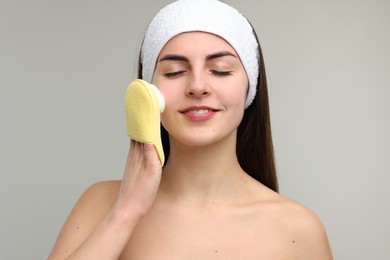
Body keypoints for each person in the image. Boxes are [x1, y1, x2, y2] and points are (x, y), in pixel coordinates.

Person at [48, 0, 333, 259]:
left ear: (250, 88)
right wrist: (126, 213)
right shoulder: (102, 204)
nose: (197, 86)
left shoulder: (298, 231)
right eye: (174, 72)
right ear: (149, 92)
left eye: (221, 70)